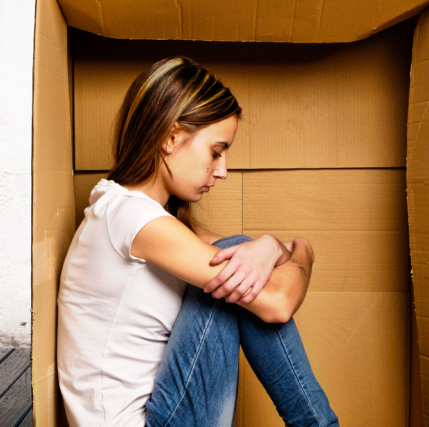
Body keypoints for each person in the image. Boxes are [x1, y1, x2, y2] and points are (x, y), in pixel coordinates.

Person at [57, 56, 339, 427]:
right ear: (172, 138)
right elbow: (277, 305)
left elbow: (254, 263)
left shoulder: (150, 220)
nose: (221, 171)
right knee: (232, 266)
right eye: (216, 152)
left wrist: (270, 246)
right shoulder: (130, 217)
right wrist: (303, 250)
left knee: (235, 260)